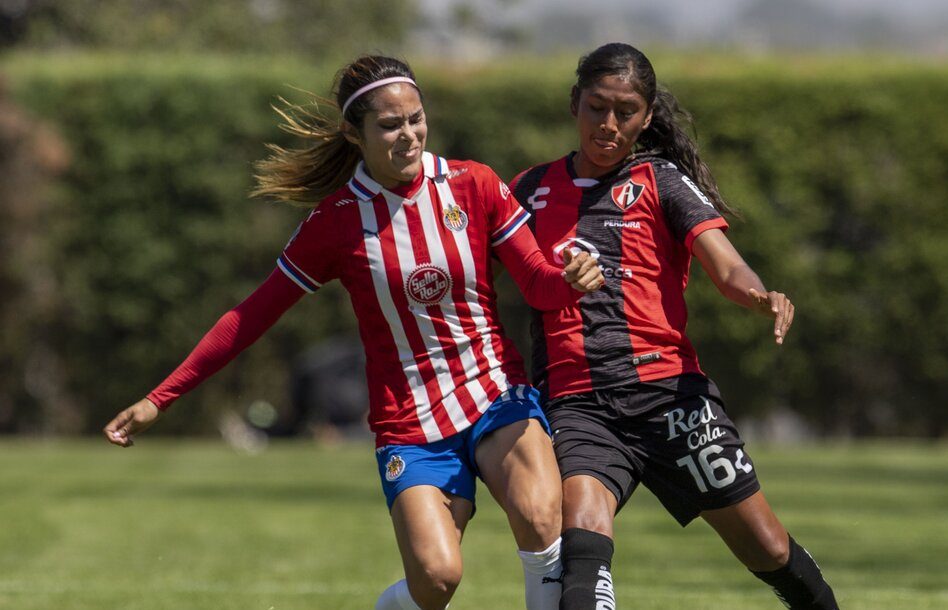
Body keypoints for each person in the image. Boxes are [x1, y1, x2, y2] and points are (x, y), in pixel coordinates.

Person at [103, 54, 604, 610]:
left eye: (416, 119)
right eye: (389, 125)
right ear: (354, 133)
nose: (408, 135)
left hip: (494, 392)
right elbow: (250, 317)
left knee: (540, 519)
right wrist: (159, 398)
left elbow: (538, 283)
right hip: (410, 421)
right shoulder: (336, 220)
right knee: (436, 580)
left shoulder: (474, 184)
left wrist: (569, 280)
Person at [510, 43, 839, 609]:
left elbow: (727, 266)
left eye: (626, 112)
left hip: (671, 399)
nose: (609, 124)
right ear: (574, 103)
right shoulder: (529, 189)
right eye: (597, 107)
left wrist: (759, 296)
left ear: (646, 117)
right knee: (583, 542)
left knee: (768, 548)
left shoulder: (660, 180)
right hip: (579, 404)